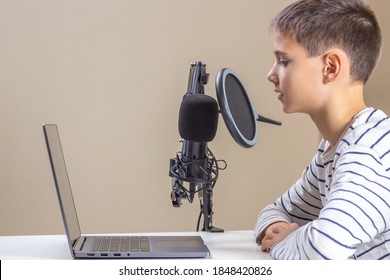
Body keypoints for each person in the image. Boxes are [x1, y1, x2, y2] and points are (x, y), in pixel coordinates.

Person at [254, 0, 390, 260]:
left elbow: (322, 250)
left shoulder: (364, 152)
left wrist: (286, 239)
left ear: (331, 68)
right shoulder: (334, 147)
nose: (271, 74)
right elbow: (276, 210)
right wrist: (276, 228)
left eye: (283, 61)